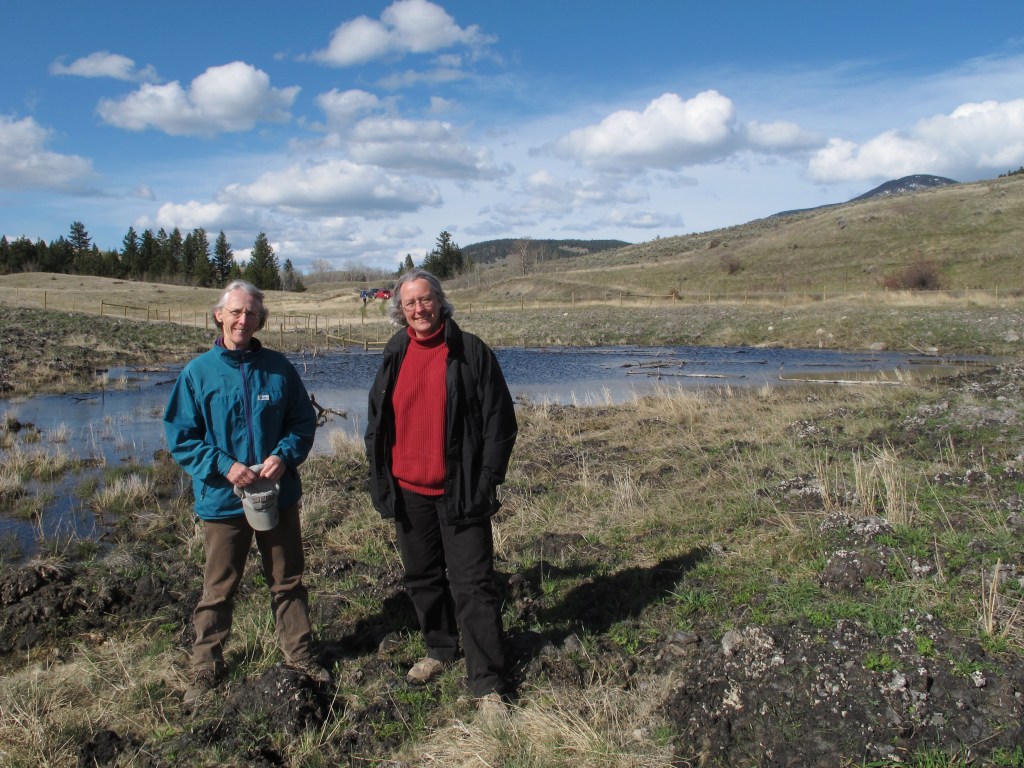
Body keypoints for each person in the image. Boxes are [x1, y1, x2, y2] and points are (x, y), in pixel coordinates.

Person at [163, 280, 327, 707]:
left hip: (277, 494)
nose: (242, 319)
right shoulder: (198, 373)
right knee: (218, 586)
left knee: (287, 579)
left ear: (260, 320)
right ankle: (205, 667)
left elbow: (301, 423)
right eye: (235, 312)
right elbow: (181, 435)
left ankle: (301, 656)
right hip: (222, 500)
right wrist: (224, 465)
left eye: (251, 313)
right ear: (219, 315)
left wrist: (284, 456)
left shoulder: (278, 367)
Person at [365, 269, 517, 720]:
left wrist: (486, 478)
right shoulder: (395, 352)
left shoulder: (470, 351)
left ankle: (487, 682)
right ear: (400, 309)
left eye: (426, 300)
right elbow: (378, 422)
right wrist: (381, 477)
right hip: (409, 491)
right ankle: (440, 646)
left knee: (474, 585)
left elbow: (500, 423)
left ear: (441, 302)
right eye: (410, 303)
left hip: (460, 491)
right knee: (422, 577)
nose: (419, 310)